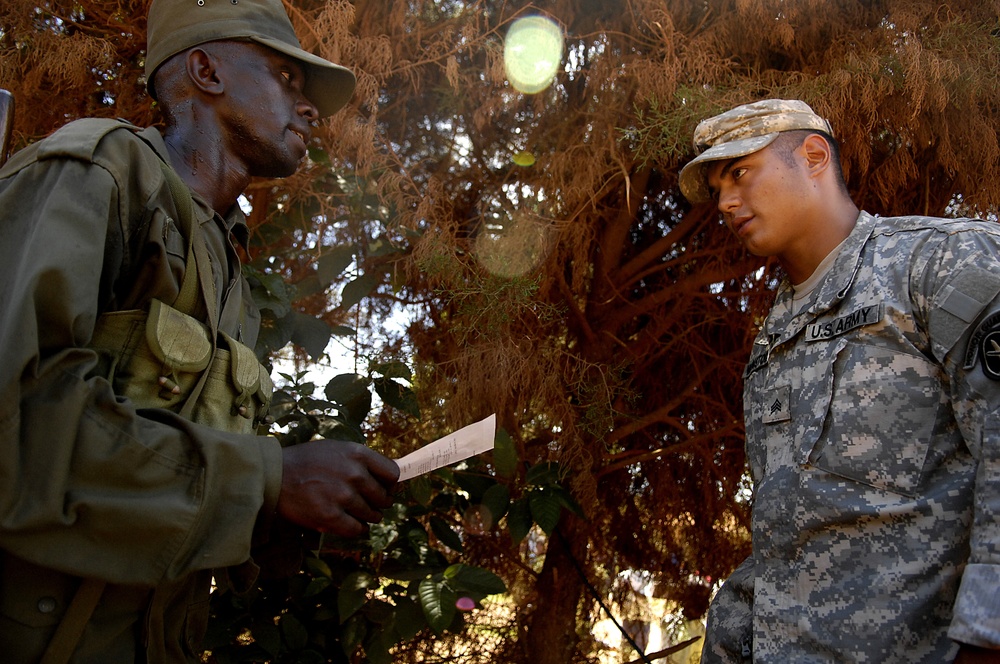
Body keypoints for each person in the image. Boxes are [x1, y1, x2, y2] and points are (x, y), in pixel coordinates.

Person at [0, 0, 400, 661]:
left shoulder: (227, 264)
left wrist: (275, 516)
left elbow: (180, 469)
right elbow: (19, 419)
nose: (310, 109)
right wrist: (268, 481)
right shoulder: (96, 177)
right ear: (206, 70)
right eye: (285, 77)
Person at [678, 99, 1000, 663]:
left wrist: (988, 637)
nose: (726, 202)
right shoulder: (774, 337)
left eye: (740, 172)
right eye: (717, 186)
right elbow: (791, 528)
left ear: (814, 155)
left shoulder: (937, 264)